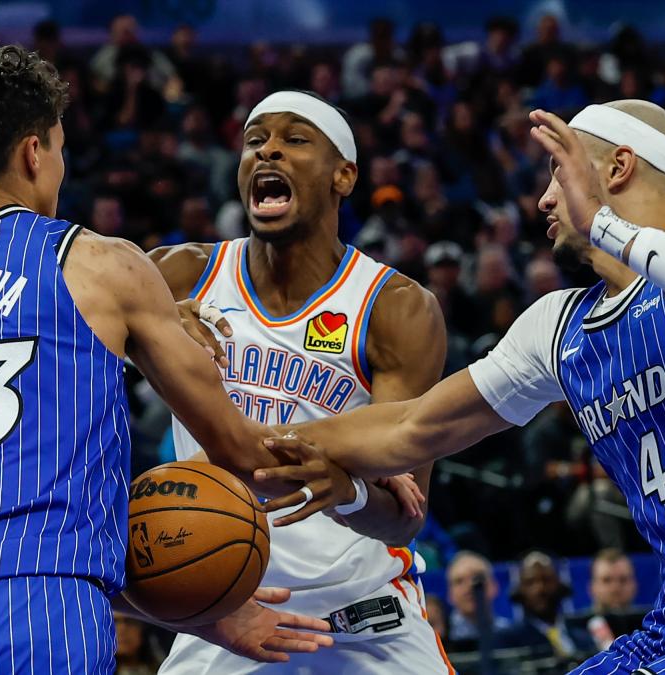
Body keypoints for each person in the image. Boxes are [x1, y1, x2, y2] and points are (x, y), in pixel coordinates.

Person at [258, 100, 665, 672]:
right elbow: (412, 426)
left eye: (558, 173)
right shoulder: (558, 326)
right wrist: (248, 445)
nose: (544, 200)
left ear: (618, 168)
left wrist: (605, 226)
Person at [0, 45, 334, 672]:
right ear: (33, 152)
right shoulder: (98, 263)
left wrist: (202, 613)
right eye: (60, 148)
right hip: (33, 614)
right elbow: (241, 450)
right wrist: (357, 456)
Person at [151, 89, 450, 674]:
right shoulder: (175, 277)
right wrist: (148, 331)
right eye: (254, 140)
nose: (268, 151)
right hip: (223, 608)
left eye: (294, 139)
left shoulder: (395, 307)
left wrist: (348, 491)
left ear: (344, 175)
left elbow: (405, 515)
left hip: (363, 614)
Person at [494, 551, 595, 659]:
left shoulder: (584, 634)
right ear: (519, 591)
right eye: (530, 582)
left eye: (547, 580)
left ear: (560, 585)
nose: (540, 589)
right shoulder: (508, 640)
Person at [444, 550, 508, 647]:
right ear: (450, 594)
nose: (469, 586)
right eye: (459, 581)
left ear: (494, 586)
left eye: (477, 578)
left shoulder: (510, 634)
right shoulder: (440, 637)